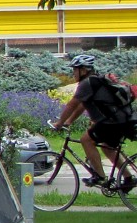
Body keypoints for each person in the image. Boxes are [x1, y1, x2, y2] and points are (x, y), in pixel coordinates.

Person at [49, 54, 136, 190]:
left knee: (86, 140)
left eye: (75, 69)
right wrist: (69, 121)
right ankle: (128, 179)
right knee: (107, 147)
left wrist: (60, 123)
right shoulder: (94, 81)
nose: (73, 73)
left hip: (112, 122)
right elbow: (83, 105)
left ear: (83, 70)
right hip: (121, 120)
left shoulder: (87, 83)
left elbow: (72, 104)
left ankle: (100, 176)